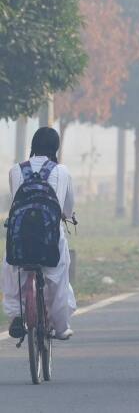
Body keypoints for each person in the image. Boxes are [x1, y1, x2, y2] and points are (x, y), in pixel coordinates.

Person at [2, 127, 76, 340]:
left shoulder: (15, 170)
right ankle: (60, 327)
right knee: (59, 276)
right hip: (50, 239)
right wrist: (66, 215)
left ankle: (16, 315)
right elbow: (68, 208)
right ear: (56, 147)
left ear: (33, 145)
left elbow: (16, 199)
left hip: (21, 240)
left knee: (12, 270)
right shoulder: (62, 172)